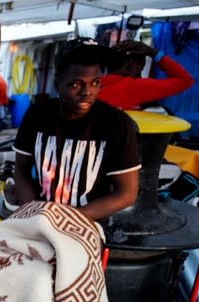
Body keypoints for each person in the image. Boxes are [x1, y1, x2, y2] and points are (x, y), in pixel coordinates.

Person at [12, 37, 141, 221]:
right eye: (76, 84)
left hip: (89, 221)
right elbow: (21, 169)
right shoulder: (37, 115)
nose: (87, 92)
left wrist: (70, 219)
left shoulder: (117, 124)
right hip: (38, 214)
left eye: (95, 83)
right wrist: (34, 212)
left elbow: (126, 194)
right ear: (58, 84)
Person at [98, 39, 193, 110]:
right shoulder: (132, 87)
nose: (141, 75)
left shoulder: (92, 84)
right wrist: (154, 53)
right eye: (141, 68)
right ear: (132, 64)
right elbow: (185, 80)